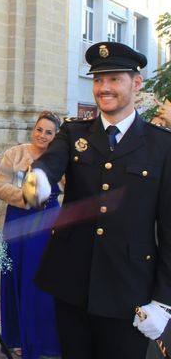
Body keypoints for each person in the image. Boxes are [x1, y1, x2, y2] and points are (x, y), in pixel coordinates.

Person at [27, 42, 171, 358]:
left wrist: (163, 300)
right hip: (71, 282)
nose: (103, 88)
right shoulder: (73, 132)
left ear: (136, 83)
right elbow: (51, 162)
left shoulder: (161, 146)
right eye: (97, 79)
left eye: (114, 79)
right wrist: (38, 178)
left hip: (129, 289)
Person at [0, 111, 62, 359]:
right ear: (33, 129)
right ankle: (18, 337)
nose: (42, 135)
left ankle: (44, 340)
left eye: (49, 132)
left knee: (43, 280)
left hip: (48, 223)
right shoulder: (15, 154)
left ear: (56, 136)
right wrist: (25, 198)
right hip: (19, 222)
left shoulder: (59, 158)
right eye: (39, 129)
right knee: (17, 276)